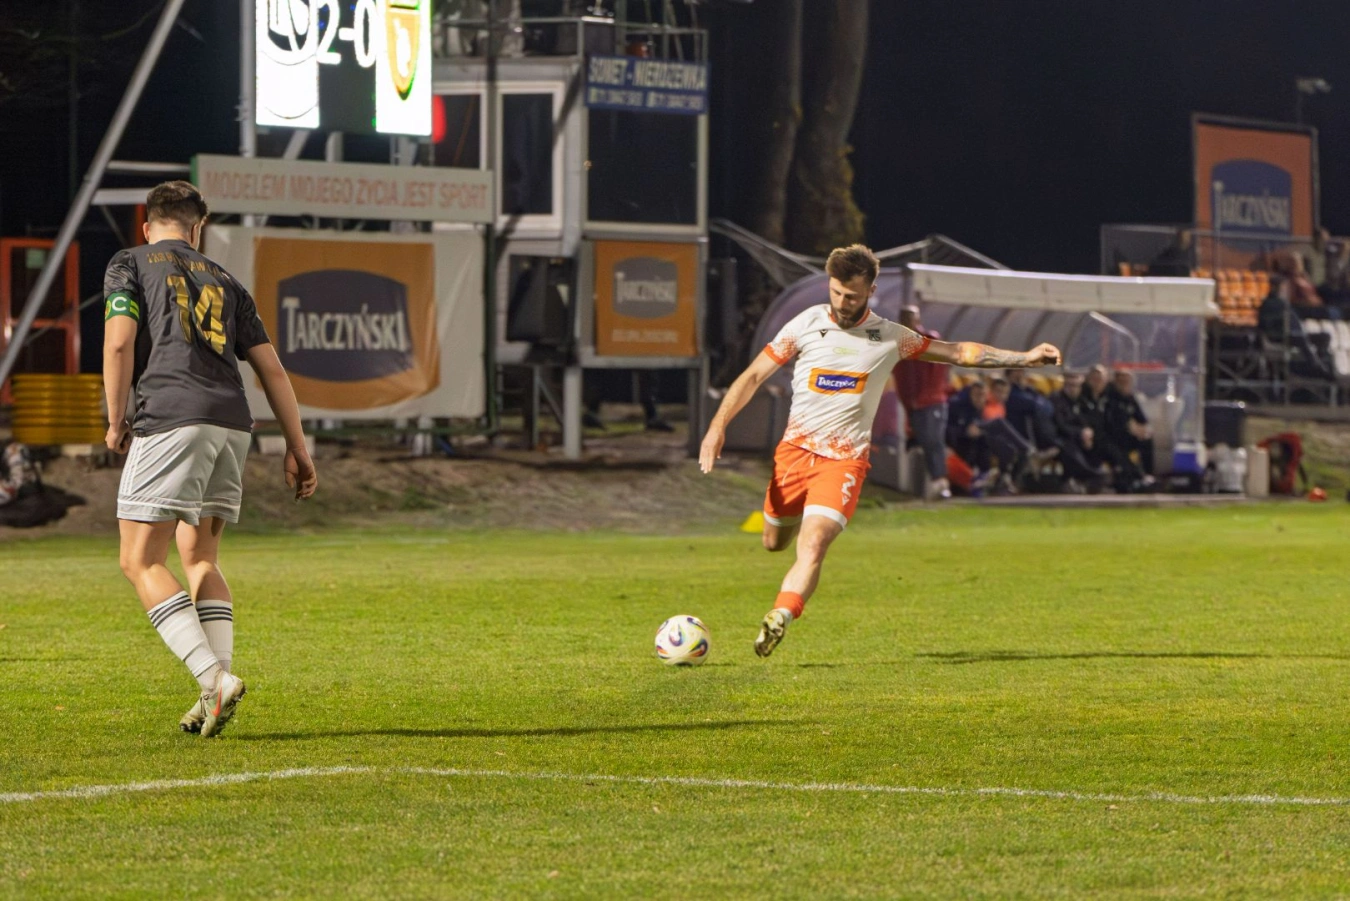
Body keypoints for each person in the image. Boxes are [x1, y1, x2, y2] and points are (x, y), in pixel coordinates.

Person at [698, 244, 1060, 657]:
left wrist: (1026, 358)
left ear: (870, 291)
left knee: (813, 543)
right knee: (773, 542)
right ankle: (788, 553)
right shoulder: (806, 324)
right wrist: (716, 428)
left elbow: (958, 352)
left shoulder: (891, 337)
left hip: (843, 462)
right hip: (793, 456)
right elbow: (752, 376)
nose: (842, 302)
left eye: (852, 296)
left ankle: (781, 614)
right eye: (836, 292)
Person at [102, 181, 317, 738]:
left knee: (139, 561)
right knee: (200, 559)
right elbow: (273, 371)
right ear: (198, 229)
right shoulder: (227, 280)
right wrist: (297, 447)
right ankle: (212, 692)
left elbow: (119, 342)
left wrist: (115, 418)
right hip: (232, 425)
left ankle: (212, 677)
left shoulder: (130, 262)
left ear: (147, 225)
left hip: (172, 417)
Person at [892, 304, 950, 499]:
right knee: (926, 441)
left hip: (931, 402)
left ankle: (940, 482)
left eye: (910, 317)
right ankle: (934, 482)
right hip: (913, 405)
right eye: (904, 318)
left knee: (933, 440)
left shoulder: (928, 340)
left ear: (917, 320)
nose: (907, 322)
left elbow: (938, 369)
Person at [1050, 373, 1106, 492]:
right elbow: (1060, 425)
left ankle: (1090, 480)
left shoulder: (1080, 401)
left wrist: (1087, 432)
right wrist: (1080, 433)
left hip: (1078, 437)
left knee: (1100, 442)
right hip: (1060, 437)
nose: (1073, 389)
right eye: (1070, 385)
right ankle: (1091, 475)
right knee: (1070, 448)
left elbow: (1086, 420)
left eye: (1077, 386)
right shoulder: (1057, 400)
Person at [1105, 369, 1155, 481]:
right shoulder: (1109, 397)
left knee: (1146, 440)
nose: (1124, 384)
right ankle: (1133, 475)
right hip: (1111, 435)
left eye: (1127, 382)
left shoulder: (1130, 398)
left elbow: (1142, 419)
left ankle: (1148, 474)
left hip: (1127, 434)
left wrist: (1143, 430)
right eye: (1121, 381)